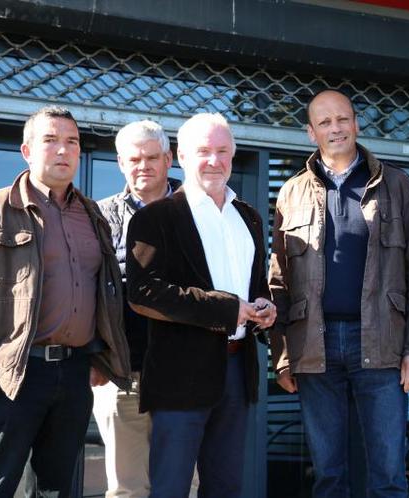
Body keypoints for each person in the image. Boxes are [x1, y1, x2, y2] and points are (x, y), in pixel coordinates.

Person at [268, 89, 409, 498]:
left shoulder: (397, 184)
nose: (335, 128)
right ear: (310, 133)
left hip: (381, 344)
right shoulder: (291, 192)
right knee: (328, 475)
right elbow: (279, 282)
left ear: (357, 124)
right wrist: (284, 357)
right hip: (315, 347)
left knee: (388, 475)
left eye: (342, 119)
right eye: (324, 122)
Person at [0, 105, 131, 496]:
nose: (63, 150)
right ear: (27, 151)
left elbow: (101, 291)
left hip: (73, 374)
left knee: (57, 489)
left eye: (72, 142)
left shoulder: (92, 214)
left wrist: (100, 355)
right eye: (50, 140)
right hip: (10, 375)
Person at [126, 112, 275, 498]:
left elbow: (256, 285)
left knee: (225, 488)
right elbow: (144, 293)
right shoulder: (157, 217)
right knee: (171, 488)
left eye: (223, 151)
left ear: (233, 155)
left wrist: (263, 306)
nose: (214, 160)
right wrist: (226, 309)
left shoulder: (250, 218)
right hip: (179, 375)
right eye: (204, 151)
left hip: (238, 370)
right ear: (181, 156)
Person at [92, 120, 183, 497]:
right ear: (120, 163)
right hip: (120, 372)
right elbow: (86, 291)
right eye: (134, 159)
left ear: (169, 158)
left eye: (151, 157)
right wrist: (95, 356)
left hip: (184, 374)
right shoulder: (99, 216)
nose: (143, 165)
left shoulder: (197, 211)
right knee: (126, 488)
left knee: (183, 484)